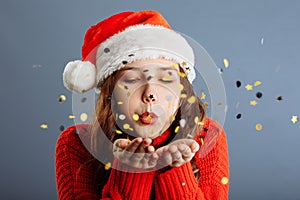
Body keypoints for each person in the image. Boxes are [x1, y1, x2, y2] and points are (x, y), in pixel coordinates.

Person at [56, 10, 229, 200]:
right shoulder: (77, 142)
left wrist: (175, 169)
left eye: (165, 79)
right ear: (109, 94)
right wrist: (130, 171)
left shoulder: (208, 136)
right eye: (131, 80)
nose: (150, 94)